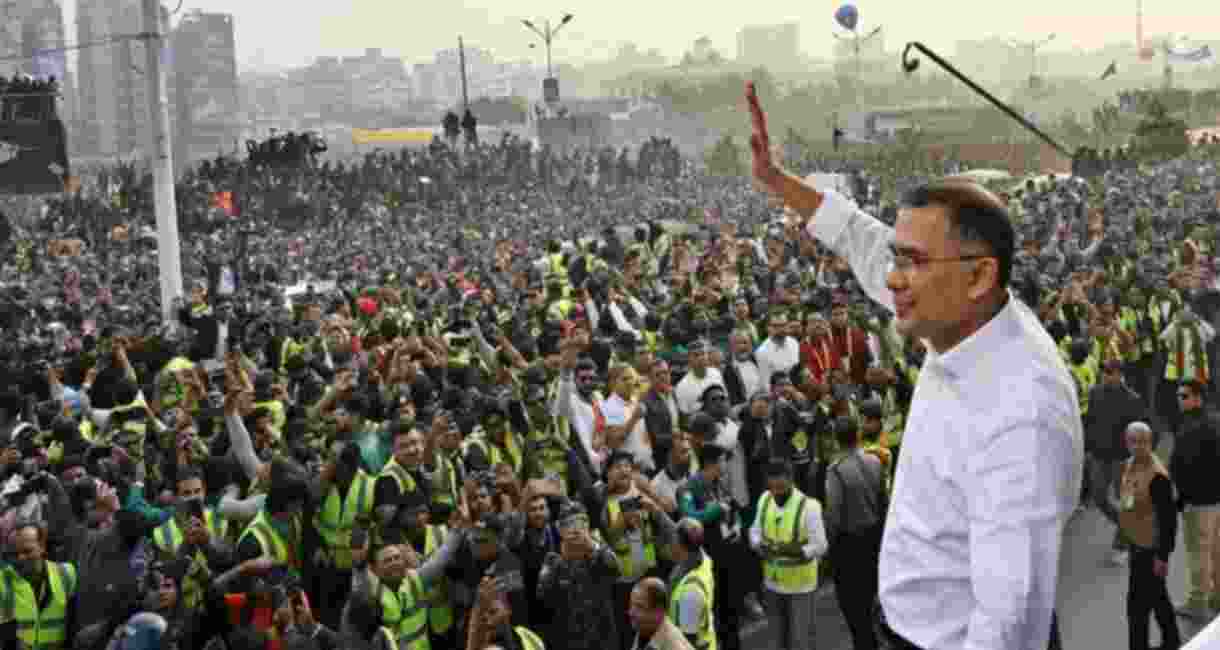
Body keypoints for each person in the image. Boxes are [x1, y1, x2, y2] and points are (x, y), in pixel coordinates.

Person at [746, 81, 1082, 650]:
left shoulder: (1023, 409)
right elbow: (859, 237)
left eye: (913, 261)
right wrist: (777, 181)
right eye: (896, 259)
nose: (893, 277)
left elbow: (1010, 618)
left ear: (979, 275)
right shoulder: (957, 312)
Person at [748, 458, 826, 650]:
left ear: (791, 480)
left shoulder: (810, 507)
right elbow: (754, 531)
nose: (777, 494)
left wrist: (797, 552)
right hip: (772, 584)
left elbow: (821, 545)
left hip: (800, 586)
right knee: (776, 641)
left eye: (781, 488)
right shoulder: (765, 499)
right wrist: (758, 545)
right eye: (772, 488)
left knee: (801, 642)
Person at [1117, 421, 1180, 650]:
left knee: (1137, 605)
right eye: (1134, 442)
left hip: (1151, 550)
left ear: (1151, 443)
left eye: (1144, 442)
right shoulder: (1128, 465)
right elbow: (1127, 502)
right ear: (1126, 443)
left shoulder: (1158, 477)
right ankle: (1172, 641)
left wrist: (1162, 556)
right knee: (1157, 598)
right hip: (1137, 545)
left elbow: (1169, 521)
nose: (1138, 447)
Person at [626, 577, 696, 650]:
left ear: (659, 611)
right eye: (631, 605)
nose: (631, 613)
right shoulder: (645, 629)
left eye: (639, 607)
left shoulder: (674, 646)